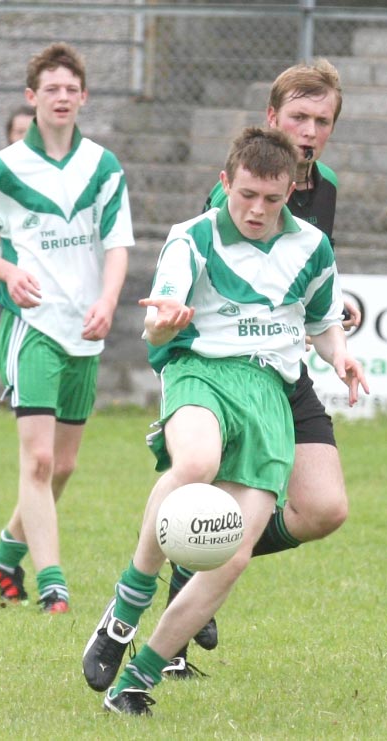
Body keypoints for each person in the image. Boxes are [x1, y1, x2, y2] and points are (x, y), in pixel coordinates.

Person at [82, 126, 368, 715]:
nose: (257, 209)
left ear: (290, 190)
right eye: (245, 195)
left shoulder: (312, 246)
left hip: (269, 393)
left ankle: (136, 682)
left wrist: (338, 354)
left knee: (232, 553)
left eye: (271, 198)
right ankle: (125, 609)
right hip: (202, 372)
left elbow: (319, 320)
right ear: (224, 183)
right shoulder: (191, 238)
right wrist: (164, 323)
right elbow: (161, 318)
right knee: (195, 462)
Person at [164, 58, 363, 673]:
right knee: (217, 497)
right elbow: (206, 291)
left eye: (321, 120)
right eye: (298, 117)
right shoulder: (239, 185)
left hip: (286, 364)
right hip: (227, 370)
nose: (309, 130)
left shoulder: (324, 184)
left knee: (324, 510)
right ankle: (185, 589)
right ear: (271, 119)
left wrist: (330, 333)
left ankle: (201, 556)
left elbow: (307, 283)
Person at [0, 42, 134, 613]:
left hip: (86, 329)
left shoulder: (103, 166)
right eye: (50, 89)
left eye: (70, 88)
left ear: (84, 97)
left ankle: (7, 550)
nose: (61, 97)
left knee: (64, 466)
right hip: (33, 327)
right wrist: (7, 270)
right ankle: (52, 582)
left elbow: (117, 245)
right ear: (32, 98)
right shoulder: (5, 169)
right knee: (36, 460)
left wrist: (108, 300)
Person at [0, 105, 35, 302]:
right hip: (11, 268)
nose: (24, 138)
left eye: (30, 132)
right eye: (19, 132)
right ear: (9, 136)